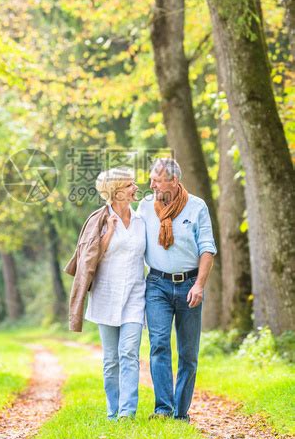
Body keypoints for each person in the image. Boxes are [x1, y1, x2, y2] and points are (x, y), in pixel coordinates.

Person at [137, 157, 217, 422]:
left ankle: (180, 413)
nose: (151, 184)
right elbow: (131, 240)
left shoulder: (196, 207)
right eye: (151, 179)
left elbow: (207, 248)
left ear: (174, 180)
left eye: (157, 180)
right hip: (157, 284)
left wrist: (199, 285)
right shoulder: (146, 207)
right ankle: (163, 409)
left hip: (189, 285)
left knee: (188, 353)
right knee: (159, 345)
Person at [66, 166, 146, 420]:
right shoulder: (99, 221)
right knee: (111, 359)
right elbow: (89, 258)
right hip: (106, 295)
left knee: (129, 353)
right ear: (116, 192)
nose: (135, 188)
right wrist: (109, 233)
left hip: (135, 294)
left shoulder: (141, 220)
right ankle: (113, 411)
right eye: (129, 185)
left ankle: (127, 412)